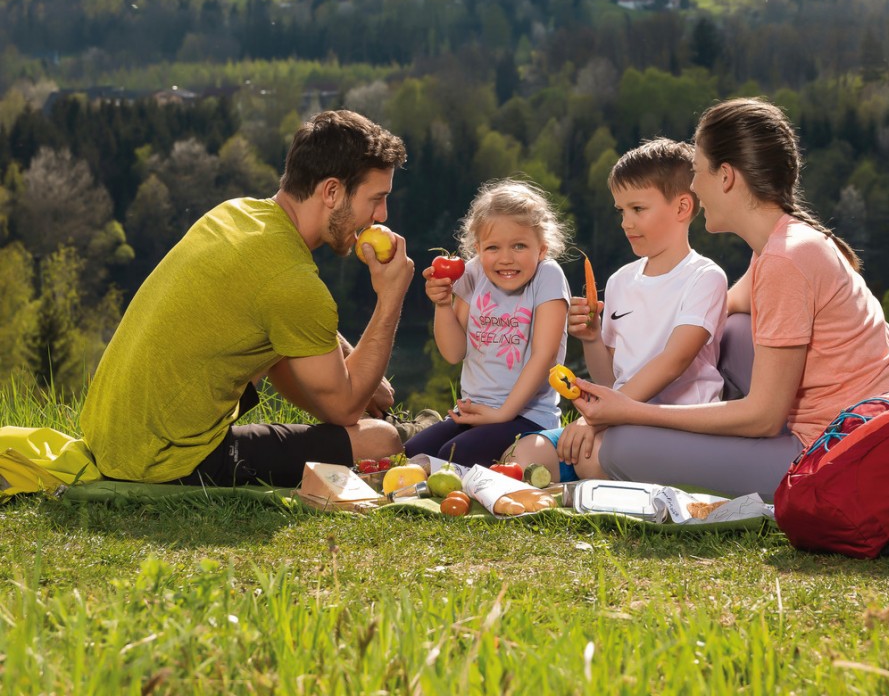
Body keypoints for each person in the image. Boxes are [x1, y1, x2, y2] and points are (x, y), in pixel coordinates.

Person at [572, 98, 889, 500]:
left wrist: (629, 412)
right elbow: (723, 310)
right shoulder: (782, 244)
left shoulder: (786, 259)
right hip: (856, 429)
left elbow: (764, 417)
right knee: (733, 328)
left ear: (727, 177)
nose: (695, 187)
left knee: (617, 448)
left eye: (698, 173)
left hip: (836, 453)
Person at [80, 110, 416, 486]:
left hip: (111, 439)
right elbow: (343, 409)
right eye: (376, 198)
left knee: (317, 376)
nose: (382, 214)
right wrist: (390, 299)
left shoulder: (235, 215)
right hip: (164, 461)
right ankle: (410, 432)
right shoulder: (290, 280)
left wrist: (353, 364)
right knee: (381, 441)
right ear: (332, 192)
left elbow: (288, 327)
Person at [505, 139, 728, 483]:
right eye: (621, 211)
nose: (626, 223)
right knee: (522, 456)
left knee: (593, 457)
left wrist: (596, 419)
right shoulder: (621, 280)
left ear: (683, 207)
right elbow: (610, 380)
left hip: (676, 426)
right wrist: (592, 339)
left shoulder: (705, 278)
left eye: (638, 209)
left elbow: (674, 362)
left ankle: (596, 476)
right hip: (616, 420)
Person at [403, 179, 570, 467]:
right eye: (493, 248)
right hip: (476, 411)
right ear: (478, 249)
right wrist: (443, 304)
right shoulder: (472, 273)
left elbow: (545, 356)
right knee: (412, 450)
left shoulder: (548, 276)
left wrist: (503, 413)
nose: (506, 259)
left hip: (527, 416)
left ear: (541, 249)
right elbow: (454, 352)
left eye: (519, 246)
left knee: (453, 455)